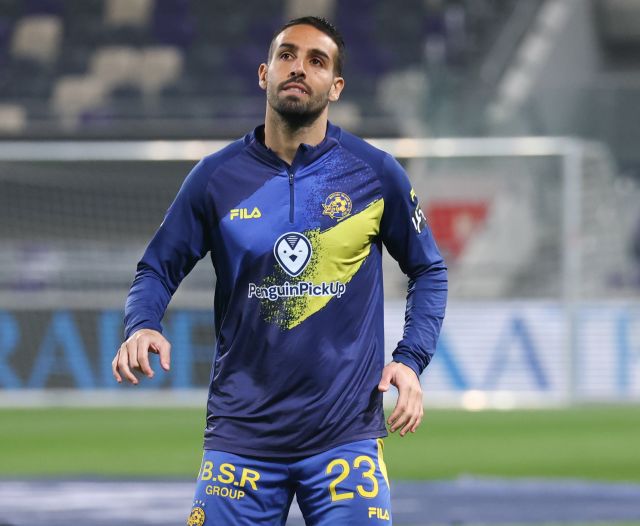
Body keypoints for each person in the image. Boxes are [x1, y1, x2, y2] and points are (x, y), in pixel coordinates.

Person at [112, 16, 447, 526]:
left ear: (336, 86)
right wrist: (142, 325)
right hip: (241, 436)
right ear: (264, 73)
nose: (299, 68)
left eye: (317, 61)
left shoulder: (374, 173)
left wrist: (410, 359)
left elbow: (429, 270)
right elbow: (156, 268)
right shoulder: (216, 178)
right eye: (287, 55)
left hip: (345, 437)